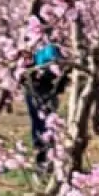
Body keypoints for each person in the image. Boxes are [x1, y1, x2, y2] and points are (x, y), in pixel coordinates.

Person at [25, 37, 64, 168]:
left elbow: (58, 69)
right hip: (31, 90)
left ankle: (48, 157)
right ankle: (40, 155)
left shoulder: (50, 49)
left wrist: (42, 72)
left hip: (47, 91)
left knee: (47, 124)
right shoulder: (31, 47)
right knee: (36, 122)